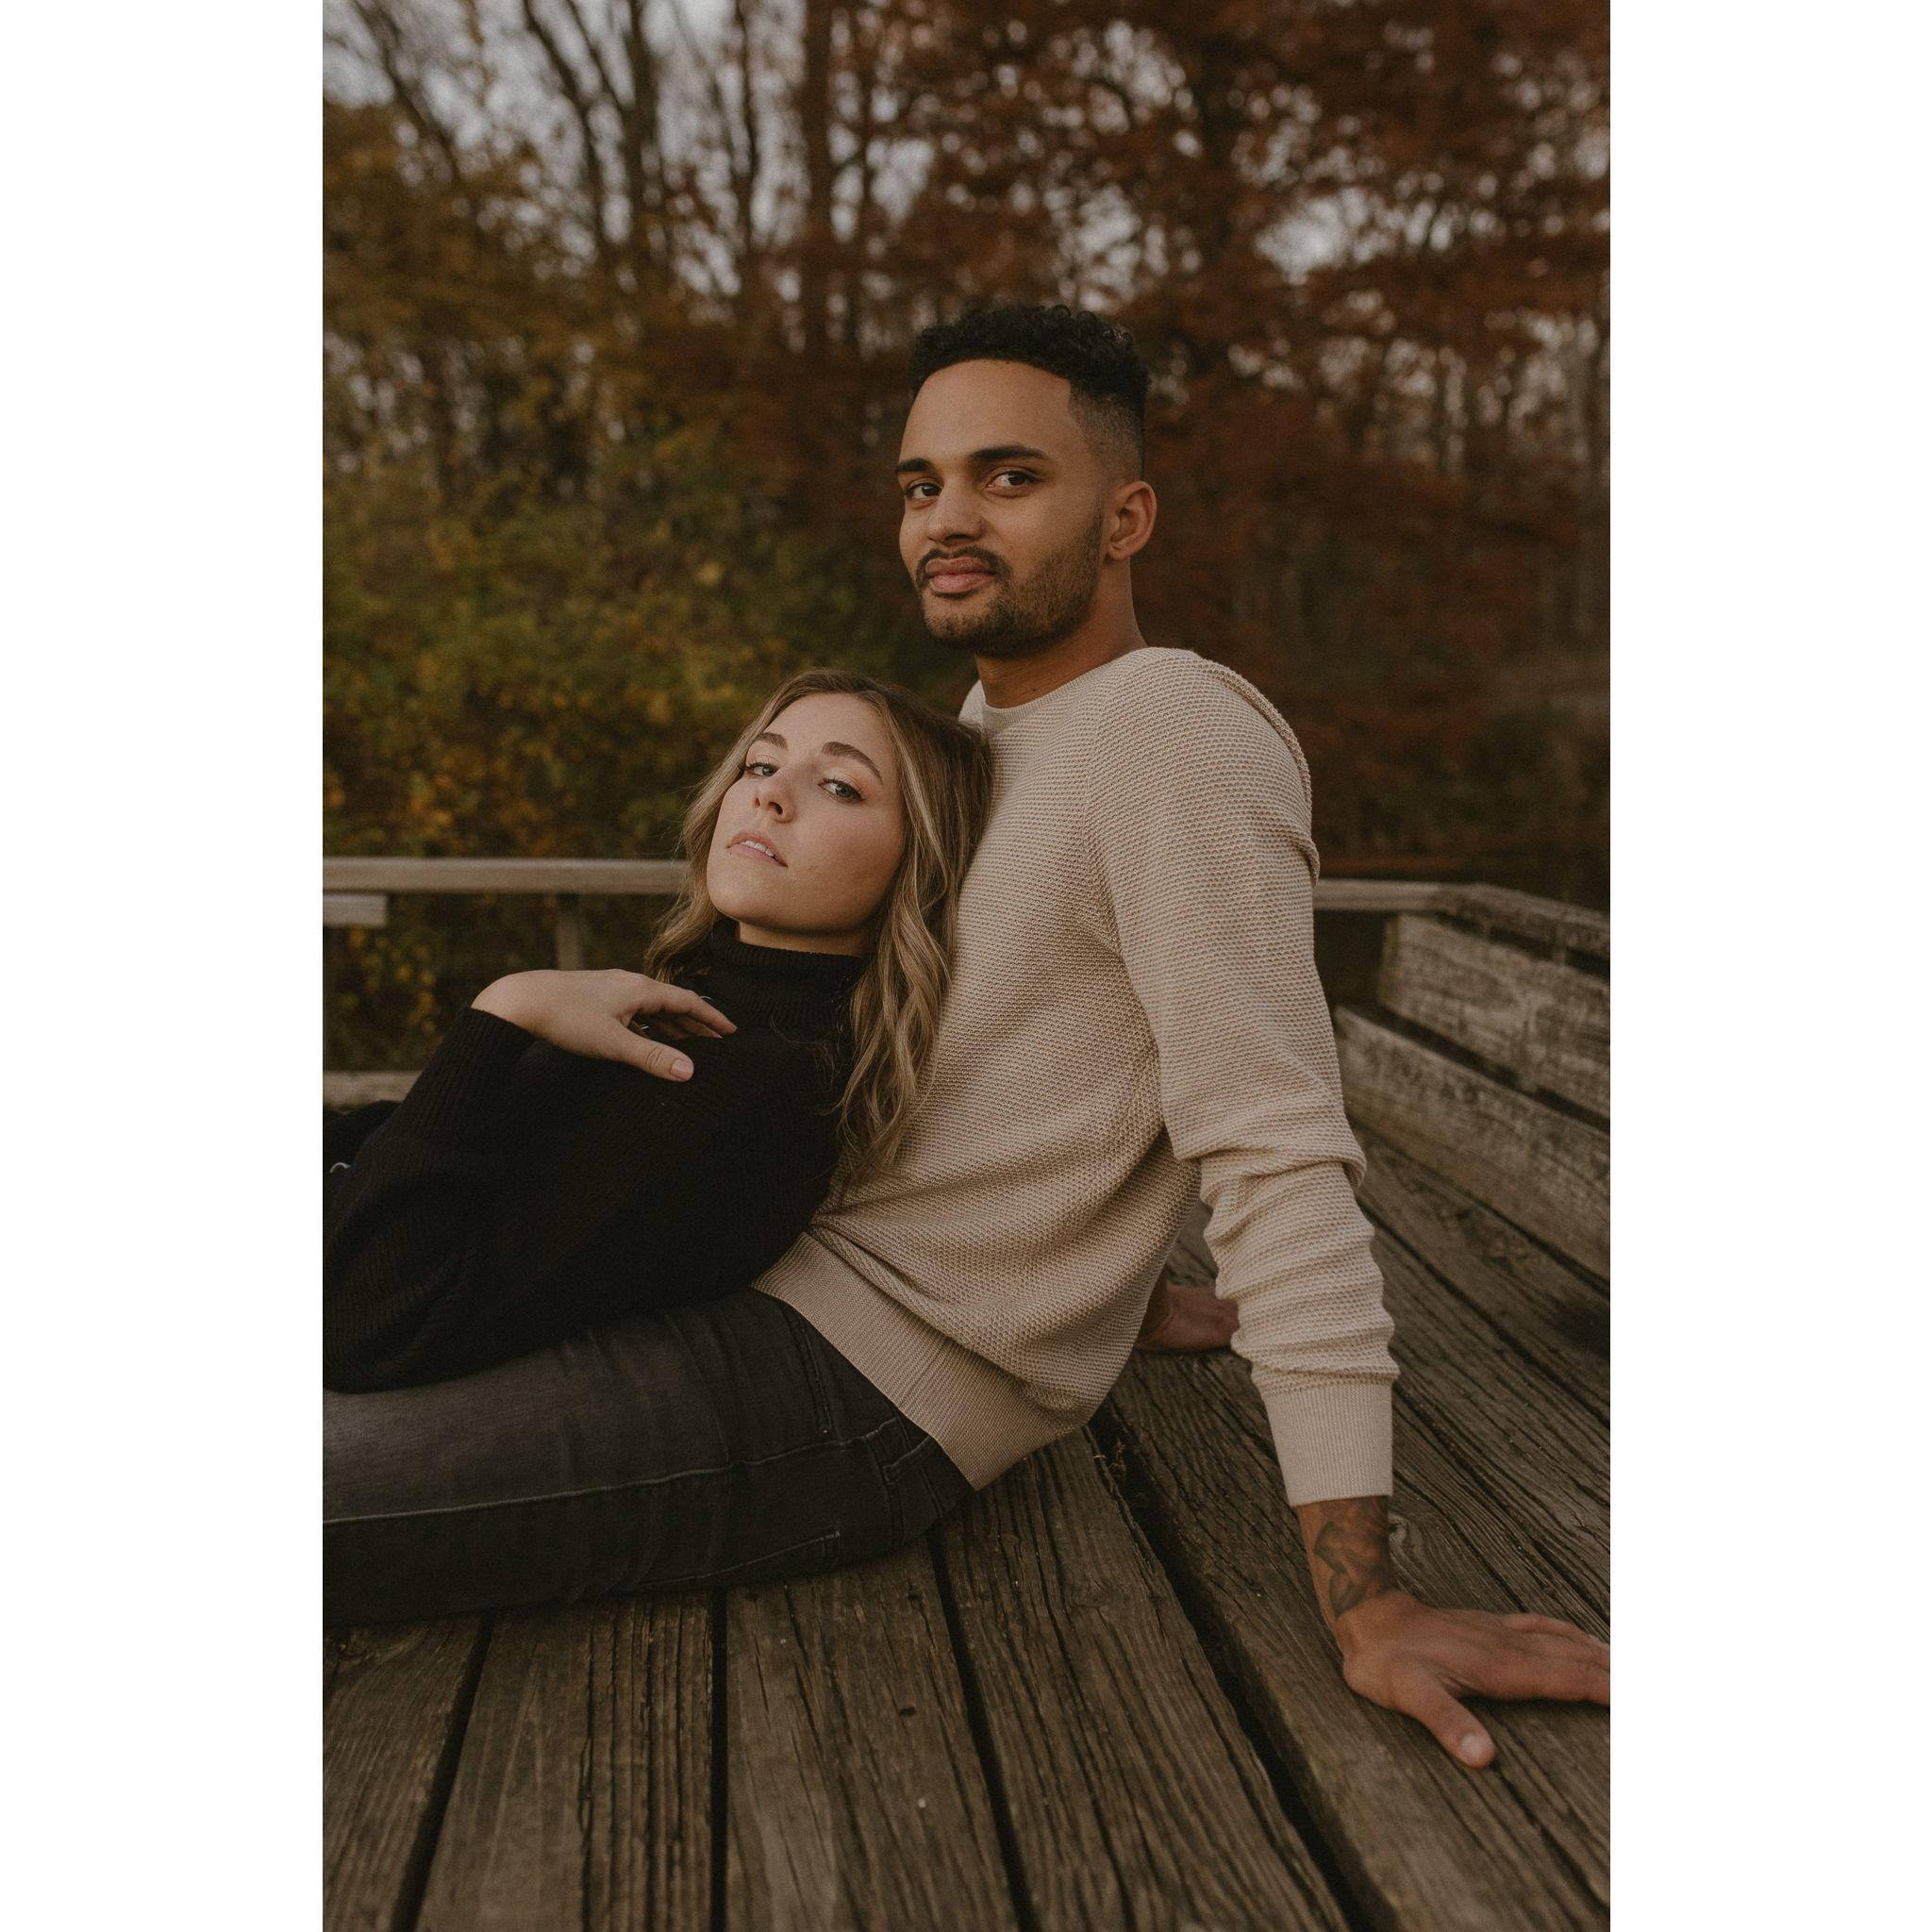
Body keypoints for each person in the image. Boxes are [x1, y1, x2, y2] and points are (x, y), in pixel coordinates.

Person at [327, 302, 1608, 1772]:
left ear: (1125, 517)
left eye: (1010, 477)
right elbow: (1025, 1054)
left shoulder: (1172, 731)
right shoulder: (987, 732)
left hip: (858, 1388)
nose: (947, 518)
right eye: (920, 483)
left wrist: (1367, 1597)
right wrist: (1105, 1280)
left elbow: (1273, 1142)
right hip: (757, 1271)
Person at [324, 669, 992, 1616]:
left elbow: (370, 1320)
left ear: (916, 863)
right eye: (761, 764)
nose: (770, 794)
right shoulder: (699, 1004)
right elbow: (416, 1146)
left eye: (840, 786)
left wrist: (500, 1013)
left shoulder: (739, 1087)